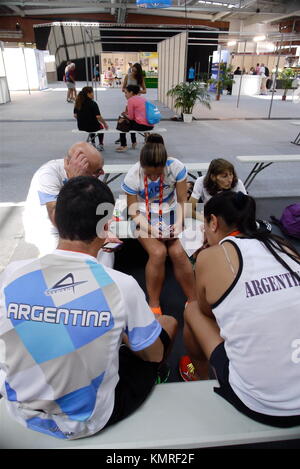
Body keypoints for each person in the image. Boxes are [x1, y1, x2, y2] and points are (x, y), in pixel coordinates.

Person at [0, 176, 178, 440]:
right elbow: (152, 355)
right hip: (87, 421)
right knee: (167, 325)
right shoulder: (121, 285)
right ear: (107, 226)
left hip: (20, 410)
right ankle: (159, 378)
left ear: (54, 220)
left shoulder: (12, 273)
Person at [180, 191, 300, 428]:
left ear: (213, 222)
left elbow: (206, 310)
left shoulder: (212, 256)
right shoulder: (283, 246)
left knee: (192, 309)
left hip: (263, 403)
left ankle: (199, 374)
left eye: (205, 225)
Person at [122, 142, 197, 316]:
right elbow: (133, 212)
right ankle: (154, 303)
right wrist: (153, 231)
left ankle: (193, 300)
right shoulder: (133, 175)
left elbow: (182, 201)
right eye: (150, 173)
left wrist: (178, 225)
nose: (155, 177)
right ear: (142, 166)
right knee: (158, 252)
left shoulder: (176, 168)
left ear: (165, 164)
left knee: (178, 253)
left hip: (170, 213)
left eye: (158, 173)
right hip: (142, 215)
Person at [22, 142, 116, 267]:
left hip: (76, 222)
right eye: (96, 172)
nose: (102, 173)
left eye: (100, 169)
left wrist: (104, 230)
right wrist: (75, 182)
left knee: (105, 251)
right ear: (71, 164)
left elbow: (94, 205)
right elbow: (56, 218)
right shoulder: (47, 175)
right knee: (67, 262)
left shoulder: (88, 174)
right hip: (49, 227)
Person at [116, 85, 154, 152]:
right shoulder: (143, 99)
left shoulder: (131, 100)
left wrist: (124, 114)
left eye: (126, 93)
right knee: (128, 122)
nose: (125, 95)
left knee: (122, 123)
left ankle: (123, 145)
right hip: (150, 126)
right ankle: (134, 142)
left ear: (131, 92)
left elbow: (131, 117)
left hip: (142, 126)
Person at [74, 86, 108, 151]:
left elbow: (75, 115)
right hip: (92, 126)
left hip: (81, 126)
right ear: (88, 94)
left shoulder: (78, 103)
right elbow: (98, 116)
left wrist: (82, 118)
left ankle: (93, 143)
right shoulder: (93, 103)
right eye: (92, 92)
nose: (93, 94)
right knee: (100, 127)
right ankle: (100, 144)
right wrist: (105, 124)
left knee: (93, 126)